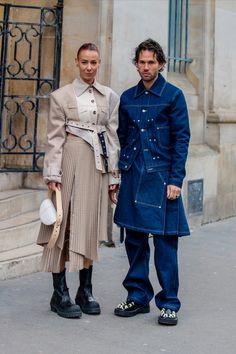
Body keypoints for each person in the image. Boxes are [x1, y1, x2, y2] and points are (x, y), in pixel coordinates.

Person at [37, 43, 120, 319]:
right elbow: (54, 139)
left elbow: (112, 138)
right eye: (84, 62)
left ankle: (85, 290)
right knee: (63, 225)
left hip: (96, 168)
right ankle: (59, 293)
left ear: (99, 63)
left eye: (94, 62)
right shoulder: (62, 96)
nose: (89, 67)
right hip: (68, 165)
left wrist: (113, 176)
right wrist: (52, 174)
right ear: (76, 62)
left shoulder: (110, 96)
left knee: (89, 224)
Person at [113, 39, 190, 326]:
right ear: (137, 64)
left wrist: (176, 179)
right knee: (133, 239)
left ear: (161, 63)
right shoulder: (128, 97)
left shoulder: (173, 95)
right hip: (133, 174)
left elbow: (182, 140)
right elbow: (121, 138)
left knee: (165, 242)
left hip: (161, 178)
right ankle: (137, 296)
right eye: (141, 62)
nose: (146, 67)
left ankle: (169, 302)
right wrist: (117, 177)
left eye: (151, 62)